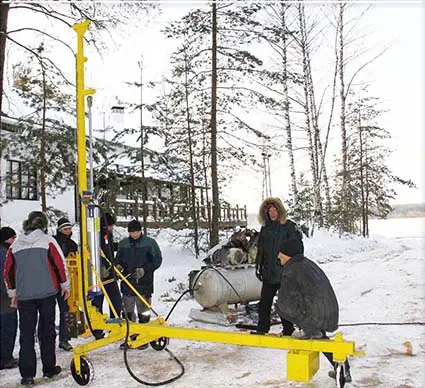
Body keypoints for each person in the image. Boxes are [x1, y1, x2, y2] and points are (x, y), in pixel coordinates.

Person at [4, 211, 70, 386]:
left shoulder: (15, 245)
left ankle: (27, 375)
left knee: (26, 335)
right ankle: (48, 368)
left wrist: (13, 293)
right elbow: (60, 264)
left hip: (25, 296)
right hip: (47, 293)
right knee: (47, 332)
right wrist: (65, 286)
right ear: (44, 225)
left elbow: (8, 271)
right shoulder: (48, 241)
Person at [276, 238, 351, 383]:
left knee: (281, 306)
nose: (279, 256)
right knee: (321, 338)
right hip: (328, 310)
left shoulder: (292, 270)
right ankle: (342, 367)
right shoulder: (305, 263)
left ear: (287, 254)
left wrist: (301, 321)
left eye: (281, 253)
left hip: (318, 314)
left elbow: (287, 303)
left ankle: (310, 330)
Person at [254, 197, 304, 335]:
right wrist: (258, 265)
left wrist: (294, 267)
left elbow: (298, 248)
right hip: (269, 272)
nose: (272, 213)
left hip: (284, 273)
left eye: (275, 210)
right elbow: (261, 249)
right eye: (269, 210)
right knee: (264, 302)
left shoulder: (289, 226)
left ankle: (288, 328)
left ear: (280, 211)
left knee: (284, 303)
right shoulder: (265, 229)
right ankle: (262, 328)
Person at [116, 219, 162, 349]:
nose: (134, 235)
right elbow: (118, 259)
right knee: (127, 312)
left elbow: (157, 260)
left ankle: (143, 338)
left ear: (140, 231)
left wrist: (145, 269)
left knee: (144, 312)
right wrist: (118, 266)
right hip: (127, 283)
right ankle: (130, 336)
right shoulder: (123, 244)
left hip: (144, 283)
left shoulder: (150, 243)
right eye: (132, 232)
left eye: (136, 232)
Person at [91, 212, 122, 337]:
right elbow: (97, 252)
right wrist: (103, 267)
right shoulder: (97, 236)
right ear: (105, 225)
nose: (112, 228)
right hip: (100, 275)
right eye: (111, 225)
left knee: (115, 300)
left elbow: (108, 250)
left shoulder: (108, 235)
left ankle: (114, 326)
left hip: (110, 274)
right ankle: (97, 329)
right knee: (97, 302)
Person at [52, 217, 78, 351]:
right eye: (66, 229)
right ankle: (47, 338)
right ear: (60, 230)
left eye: (69, 229)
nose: (68, 231)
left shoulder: (73, 244)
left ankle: (64, 338)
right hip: (53, 282)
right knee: (49, 312)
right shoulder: (53, 242)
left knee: (65, 310)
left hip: (65, 282)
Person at [0, 226, 18, 370]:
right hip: (5, 298)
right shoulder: (4, 254)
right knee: (8, 327)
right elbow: (5, 277)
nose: (14, 241)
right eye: (12, 238)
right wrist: (11, 293)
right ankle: (6, 358)